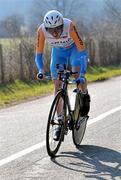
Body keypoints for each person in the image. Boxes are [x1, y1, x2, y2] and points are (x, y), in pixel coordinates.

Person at [35, 10, 90, 140]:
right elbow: (38, 54)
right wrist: (41, 70)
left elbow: (82, 52)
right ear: (46, 27)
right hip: (58, 53)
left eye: (57, 29)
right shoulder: (41, 30)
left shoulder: (69, 25)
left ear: (62, 25)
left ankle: (84, 94)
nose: (54, 33)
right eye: (51, 30)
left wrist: (82, 73)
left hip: (74, 50)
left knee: (77, 75)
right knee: (57, 85)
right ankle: (59, 121)